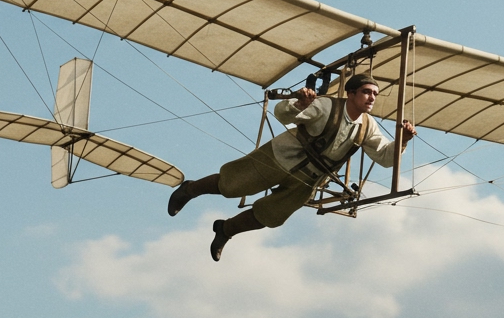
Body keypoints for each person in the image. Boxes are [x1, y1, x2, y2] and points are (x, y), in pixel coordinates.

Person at [168, 73, 416, 261]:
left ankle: (225, 229)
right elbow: (283, 115)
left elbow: (384, 157)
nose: (371, 97)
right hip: (282, 157)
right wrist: (301, 104)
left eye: (375, 94)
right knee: (232, 184)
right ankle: (190, 189)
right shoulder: (328, 106)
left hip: (309, 178)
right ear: (351, 94)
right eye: (366, 92)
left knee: (271, 215)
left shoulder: (368, 126)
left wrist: (402, 140)